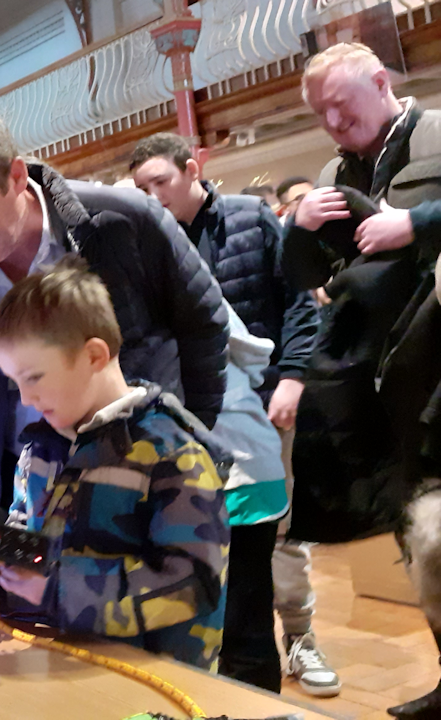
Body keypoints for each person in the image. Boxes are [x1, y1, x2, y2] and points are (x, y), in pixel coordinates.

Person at [0, 110, 229, 568]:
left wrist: (190, 437)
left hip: (140, 473)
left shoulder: (123, 221)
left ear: (15, 177)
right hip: (26, 483)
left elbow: (203, 325)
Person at [130, 132, 327, 693]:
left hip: (262, 408)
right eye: (141, 188)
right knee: (209, 565)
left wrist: (291, 377)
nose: (152, 195)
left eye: (160, 182)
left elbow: (296, 300)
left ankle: (298, 640)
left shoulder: (249, 219)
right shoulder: (145, 241)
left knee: (271, 549)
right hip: (186, 425)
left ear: (192, 170)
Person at [0, 258, 230, 669]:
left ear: (93, 355)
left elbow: (191, 583)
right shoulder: (41, 449)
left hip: (156, 678)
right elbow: (28, 529)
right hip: (64, 661)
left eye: (33, 377)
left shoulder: (172, 456)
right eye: (14, 382)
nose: (24, 399)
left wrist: (56, 587)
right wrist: (1, 564)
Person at [284, 42, 441, 719]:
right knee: (422, 544)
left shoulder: (439, 135)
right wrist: (297, 228)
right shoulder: (331, 173)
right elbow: (305, 277)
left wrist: (416, 223)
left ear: (380, 82)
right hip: (388, 392)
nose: (333, 122)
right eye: (320, 113)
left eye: (341, 105)